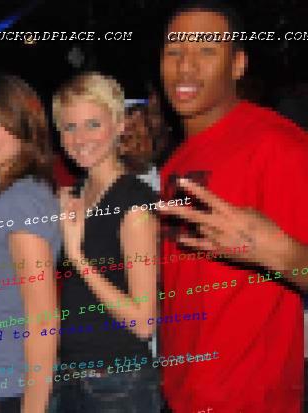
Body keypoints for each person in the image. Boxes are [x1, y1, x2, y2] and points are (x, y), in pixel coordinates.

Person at [158, 1, 308, 411]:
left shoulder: (279, 146)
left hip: (248, 399)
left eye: (206, 50)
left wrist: (283, 255)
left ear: (238, 65)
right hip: (180, 391)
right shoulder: (176, 161)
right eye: (174, 51)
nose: (185, 67)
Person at [52, 72, 160, 412]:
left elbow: (143, 322)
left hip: (118, 383)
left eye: (93, 124)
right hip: (73, 374)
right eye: (69, 127)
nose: (80, 138)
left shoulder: (135, 204)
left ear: (119, 125)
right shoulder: (77, 193)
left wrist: (76, 256)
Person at [0, 72, 62, 413]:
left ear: (24, 126)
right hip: (0, 385)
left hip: (10, 392)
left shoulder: (21, 200)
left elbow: (43, 320)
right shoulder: (19, 195)